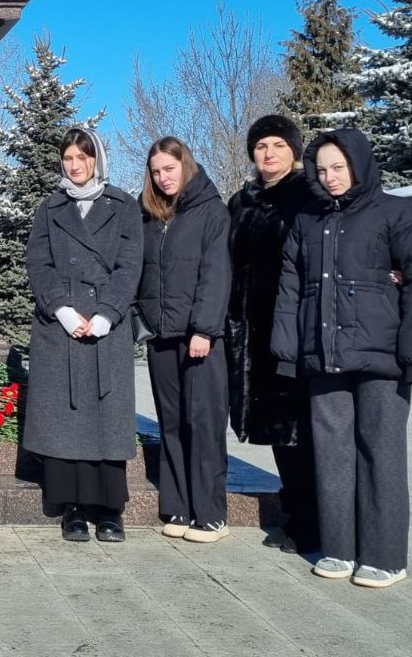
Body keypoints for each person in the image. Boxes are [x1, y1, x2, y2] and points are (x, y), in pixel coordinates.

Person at [272, 127, 412, 589]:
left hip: (383, 357)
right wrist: (289, 350)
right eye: (322, 169)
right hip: (323, 356)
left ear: (359, 164)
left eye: (338, 167)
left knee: (380, 452)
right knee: (331, 455)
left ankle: (386, 556)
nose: (329, 178)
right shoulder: (307, 220)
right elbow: (291, 288)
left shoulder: (394, 213)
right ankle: (340, 549)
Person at [24, 128, 143, 542]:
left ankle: (110, 510)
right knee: (65, 419)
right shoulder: (50, 207)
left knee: (106, 420)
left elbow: (131, 266)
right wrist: (61, 309)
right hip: (62, 326)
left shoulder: (123, 206)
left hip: (106, 326)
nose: (75, 166)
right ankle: (71, 507)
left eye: (83, 157)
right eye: (69, 158)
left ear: (98, 159)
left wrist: (109, 313)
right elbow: (38, 263)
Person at [226, 115, 318, 554]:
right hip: (252, 334)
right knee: (280, 432)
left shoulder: (309, 196)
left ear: (295, 150)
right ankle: (296, 510)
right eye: (261, 146)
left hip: (296, 329)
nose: (269, 154)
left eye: (278, 145)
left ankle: (313, 519)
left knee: (304, 429)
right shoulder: (242, 202)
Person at [137, 136, 232, 543]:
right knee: (172, 424)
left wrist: (205, 329)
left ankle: (210, 514)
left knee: (203, 423)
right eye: (156, 172)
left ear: (185, 165)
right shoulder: (151, 216)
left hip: (199, 338)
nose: (163, 178)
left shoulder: (212, 212)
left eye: (169, 169)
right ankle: (177, 507)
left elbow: (216, 273)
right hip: (161, 335)